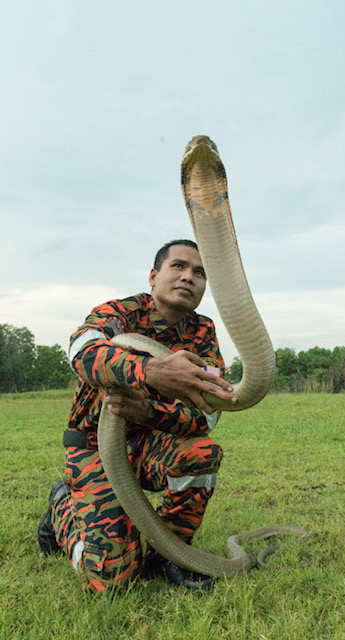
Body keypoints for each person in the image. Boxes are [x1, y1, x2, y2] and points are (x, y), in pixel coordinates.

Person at [38, 239, 236, 593]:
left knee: (203, 452)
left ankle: (171, 554)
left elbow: (207, 416)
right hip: (94, 447)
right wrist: (151, 371)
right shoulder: (123, 312)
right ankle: (61, 511)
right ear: (153, 275)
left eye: (200, 272)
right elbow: (82, 350)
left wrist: (149, 410)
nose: (188, 277)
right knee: (113, 581)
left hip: (150, 445)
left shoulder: (202, 331)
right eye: (178, 266)